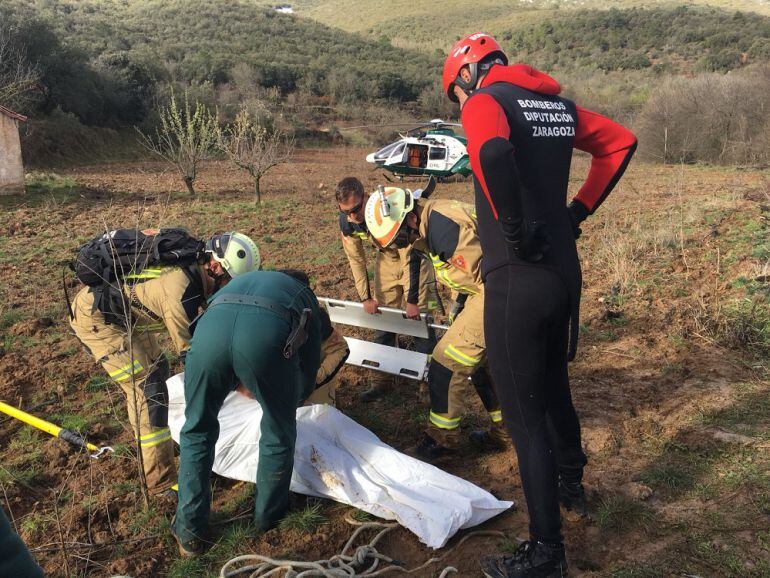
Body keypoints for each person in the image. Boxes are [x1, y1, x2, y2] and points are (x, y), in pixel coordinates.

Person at [443, 33, 637, 577]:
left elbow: (493, 150)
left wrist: (509, 224)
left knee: (525, 423)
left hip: (518, 278)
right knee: (554, 388)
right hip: (562, 275)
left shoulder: (486, 102)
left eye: (455, 97)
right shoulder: (556, 107)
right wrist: (577, 211)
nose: (460, 108)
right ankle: (572, 484)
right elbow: (620, 141)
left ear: (466, 76)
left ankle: (546, 552)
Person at [70, 231, 260, 501]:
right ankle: (159, 483)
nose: (230, 288)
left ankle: (166, 448)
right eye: (230, 280)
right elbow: (195, 357)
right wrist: (237, 385)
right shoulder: (181, 291)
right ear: (215, 267)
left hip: (127, 315)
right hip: (99, 320)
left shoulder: (194, 269)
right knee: (148, 391)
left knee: (158, 368)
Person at [171, 269, 323, 556]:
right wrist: (292, 398)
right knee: (278, 432)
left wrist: (237, 378)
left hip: (207, 337)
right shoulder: (305, 296)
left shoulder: (244, 280)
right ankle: (268, 519)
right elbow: (310, 360)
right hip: (264, 338)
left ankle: (189, 534)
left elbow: (228, 336)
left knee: (197, 429)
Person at [364, 188, 507, 460]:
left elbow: (490, 276)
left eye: (398, 239)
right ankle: (506, 432)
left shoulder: (443, 230)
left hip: (499, 292)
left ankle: (442, 442)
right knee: (480, 365)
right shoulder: (432, 221)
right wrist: (460, 307)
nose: (398, 246)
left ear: (409, 219)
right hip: (491, 289)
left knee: (445, 362)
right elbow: (473, 272)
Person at [335, 177, 436, 401]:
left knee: (419, 321)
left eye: (355, 209)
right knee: (383, 322)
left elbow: (413, 253)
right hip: (386, 260)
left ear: (366, 196)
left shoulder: (387, 209)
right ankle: (381, 380)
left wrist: (412, 300)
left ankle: (428, 383)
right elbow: (356, 261)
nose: (352, 216)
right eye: (345, 212)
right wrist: (366, 297)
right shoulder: (348, 223)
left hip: (412, 254)